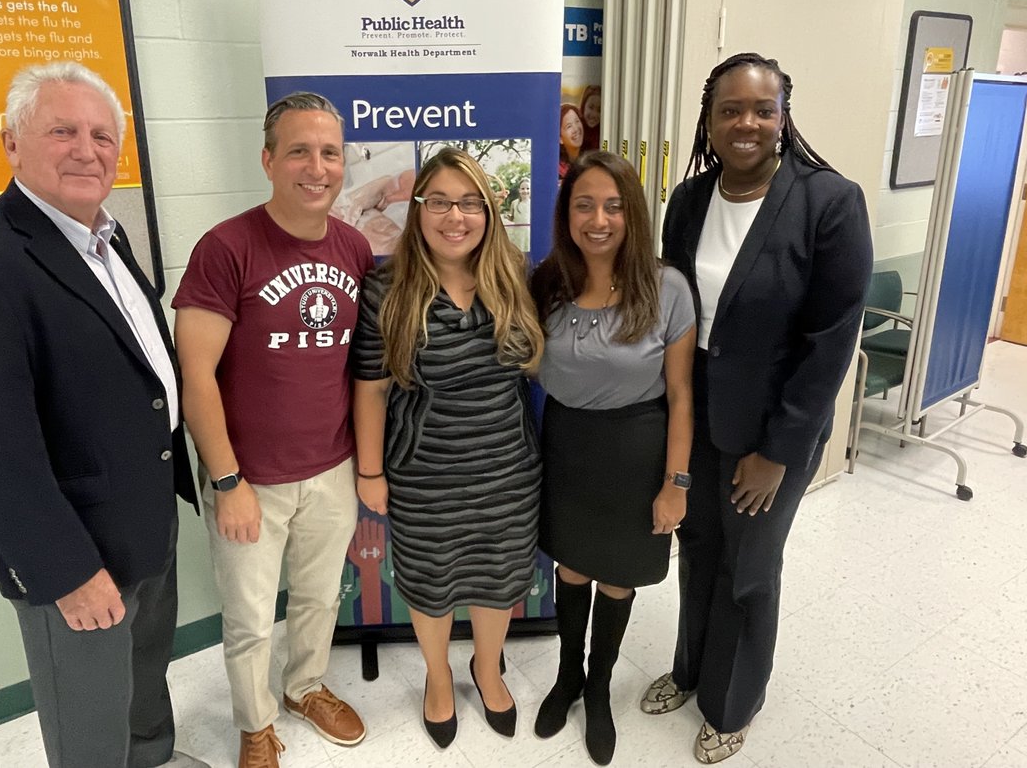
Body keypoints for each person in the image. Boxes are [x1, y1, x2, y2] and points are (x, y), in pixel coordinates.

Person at [0, 62, 204, 768]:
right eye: (63, 130)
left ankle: (154, 758)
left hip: (144, 520)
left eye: (103, 136)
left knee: (141, 680)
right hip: (75, 550)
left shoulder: (108, 237)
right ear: (12, 143)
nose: (87, 149)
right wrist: (68, 572)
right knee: (87, 717)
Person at [641, 52, 872, 764]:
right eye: (729, 110)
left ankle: (732, 702)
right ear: (708, 122)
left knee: (748, 568)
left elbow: (831, 341)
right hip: (700, 409)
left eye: (762, 110)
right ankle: (689, 669)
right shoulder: (688, 200)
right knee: (698, 549)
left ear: (783, 118)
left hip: (774, 425)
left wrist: (779, 450)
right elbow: (678, 311)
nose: (746, 123)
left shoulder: (828, 201)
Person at [173, 92, 374, 767]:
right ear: (268, 159)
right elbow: (195, 376)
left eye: (329, 153)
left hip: (331, 467)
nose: (316, 167)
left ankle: (304, 689)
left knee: (319, 598)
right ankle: (255, 724)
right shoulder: (226, 248)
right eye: (298, 151)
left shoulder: (353, 248)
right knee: (251, 621)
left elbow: (359, 366)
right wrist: (227, 481)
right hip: (249, 477)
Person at [350, 147, 544, 749]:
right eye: (439, 202)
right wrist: (371, 473)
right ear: (418, 208)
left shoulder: (514, 271)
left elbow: (536, 364)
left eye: (469, 203)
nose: (454, 216)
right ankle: (439, 679)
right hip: (424, 473)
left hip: (507, 469)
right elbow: (371, 389)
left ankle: (487, 671)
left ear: (488, 211)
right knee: (431, 584)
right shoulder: (388, 287)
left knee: (497, 578)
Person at [530, 150, 696, 765]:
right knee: (572, 567)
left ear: (633, 214)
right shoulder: (546, 282)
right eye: (584, 204)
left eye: (613, 206)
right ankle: (567, 676)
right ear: (565, 213)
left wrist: (676, 482)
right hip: (568, 444)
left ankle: (598, 690)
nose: (598, 219)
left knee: (617, 576)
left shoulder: (666, 286)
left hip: (637, 448)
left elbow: (681, 395)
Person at [559, 103, 584, 180]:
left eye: (577, 121)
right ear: (560, 138)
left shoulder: (587, 160)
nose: (576, 129)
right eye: (569, 126)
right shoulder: (557, 171)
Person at [579, 85, 601, 153]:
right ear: (583, 105)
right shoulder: (576, 126)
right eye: (591, 107)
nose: (594, 114)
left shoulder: (603, 132)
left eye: (599, 110)